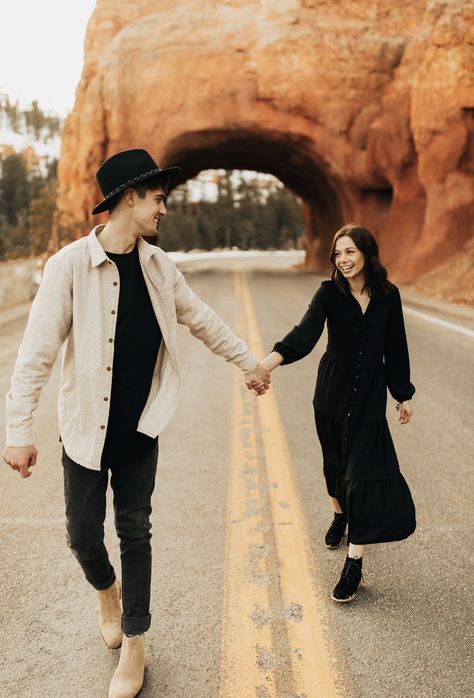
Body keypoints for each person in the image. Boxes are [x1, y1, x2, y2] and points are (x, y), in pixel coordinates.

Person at [2, 148, 270, 698]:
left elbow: (202, 320)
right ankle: (107, 593)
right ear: (129, 198)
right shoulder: (69, 266)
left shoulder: (160, 267)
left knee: (135, 531)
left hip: (140, 428)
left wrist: (249, 363)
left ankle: (135, 642)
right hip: (82, 430)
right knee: (81, 535)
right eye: (157, 199)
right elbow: (36, 352)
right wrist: (18, 430)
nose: (163, 210)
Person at [251, 223, 416, 603]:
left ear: (366, 253)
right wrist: (265, 365)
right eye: (337, 253)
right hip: (331, 395)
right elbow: (303, 336)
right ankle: (339, 515)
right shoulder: (328, 293)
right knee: (335, 466)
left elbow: (397, 347)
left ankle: (353, 564)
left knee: (361, 476)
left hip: (370, 401)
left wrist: (402, 395)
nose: (342, 260)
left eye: (350, 252)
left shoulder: (389, 296)